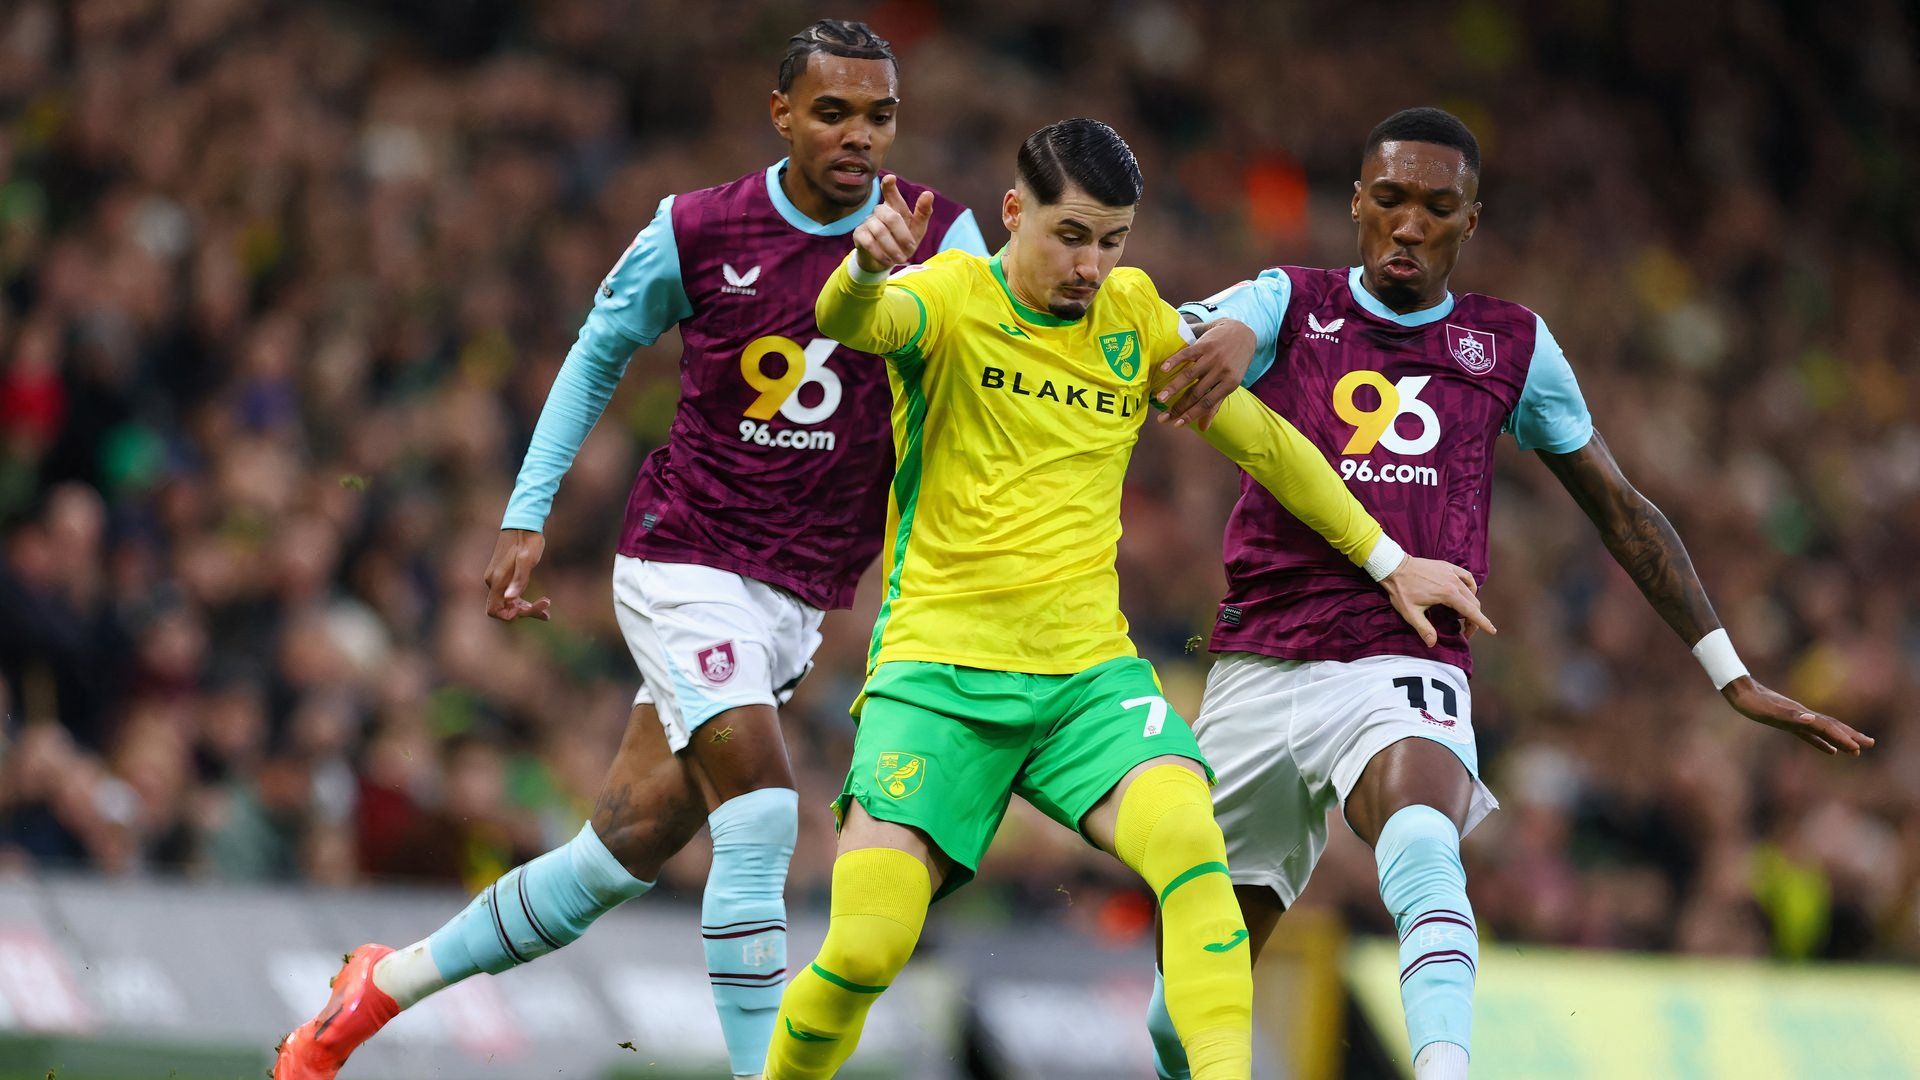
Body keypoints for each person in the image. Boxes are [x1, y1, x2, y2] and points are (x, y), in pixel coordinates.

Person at [272, 20, 987, 1080]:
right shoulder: (698, 228)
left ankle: (378, 986)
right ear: (780, 112)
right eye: (832, 112)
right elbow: (598, 350)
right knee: (762, 810)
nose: (858, 136)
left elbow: (999, 365)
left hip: (799, 594)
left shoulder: (940, 234)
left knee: (614, 855)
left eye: (878, 115)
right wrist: (526, 513)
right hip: (684, 554)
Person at [1143, 106, 1875, 1080]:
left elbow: (1621, 508)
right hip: (1257, 666)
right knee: (1176, 1016)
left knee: (1420, 844)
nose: (1410, 226)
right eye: (1391, 200)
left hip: (1403, 656)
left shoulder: (1512, 345)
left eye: (1437, 209)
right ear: (1357, 202)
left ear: (1470, 221)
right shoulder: (1286, 297)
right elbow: (1170, 336)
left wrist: (1729, 672)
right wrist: (1222, 338)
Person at [760, 118, 1492, 1080]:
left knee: (1196, 852)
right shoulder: (949, 296)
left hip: (1085, 684)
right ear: (1014, 212)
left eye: (1113, 241)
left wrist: (1389, 557)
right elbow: (853, 324)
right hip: (938, 679)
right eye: (1071, 236)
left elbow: (1265, 444)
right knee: (864, 949)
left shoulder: (1134, 317)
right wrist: (861, 270)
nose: (1092, 265)